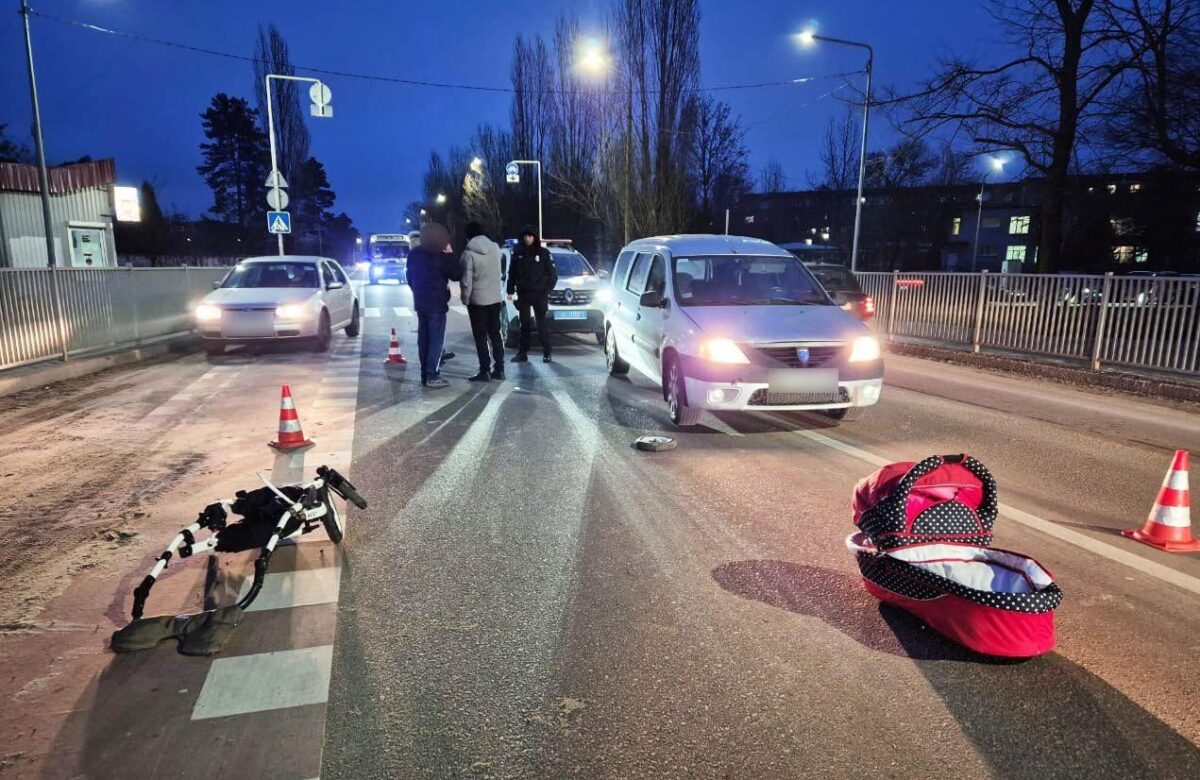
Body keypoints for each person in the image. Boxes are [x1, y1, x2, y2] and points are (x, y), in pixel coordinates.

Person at [406, 222, 461, 388]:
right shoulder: (441, 255)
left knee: (423, 339)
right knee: (436, 341)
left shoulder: (414, 254)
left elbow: (409, 276)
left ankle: (425, 373)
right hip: (437, 303)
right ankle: (432, 375)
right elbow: (456, 274)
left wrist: (416, 290)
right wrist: (450, 254)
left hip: (421, 302)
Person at [460, 221, 505, 381]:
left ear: (468, 236)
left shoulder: (468, 253)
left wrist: (465, 299)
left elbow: (467, 281)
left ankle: (484, 370)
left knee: (481, 337)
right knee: (495, 334)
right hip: (495, 299)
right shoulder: (496, 248)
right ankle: (499, 369)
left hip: (478, 302)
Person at [506, 226, 557, 363]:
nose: (527, 238)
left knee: (541, 325)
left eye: (530, 236)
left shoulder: (543, 253)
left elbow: (552, 275)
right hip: (524, 294)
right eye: (525, 236)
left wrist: (547, 290)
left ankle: (547, 352)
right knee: (525, 325)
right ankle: (523, 352)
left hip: (540, 295)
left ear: (535, 237)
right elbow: (512, 273)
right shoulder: (518, 253)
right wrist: (510, 290)